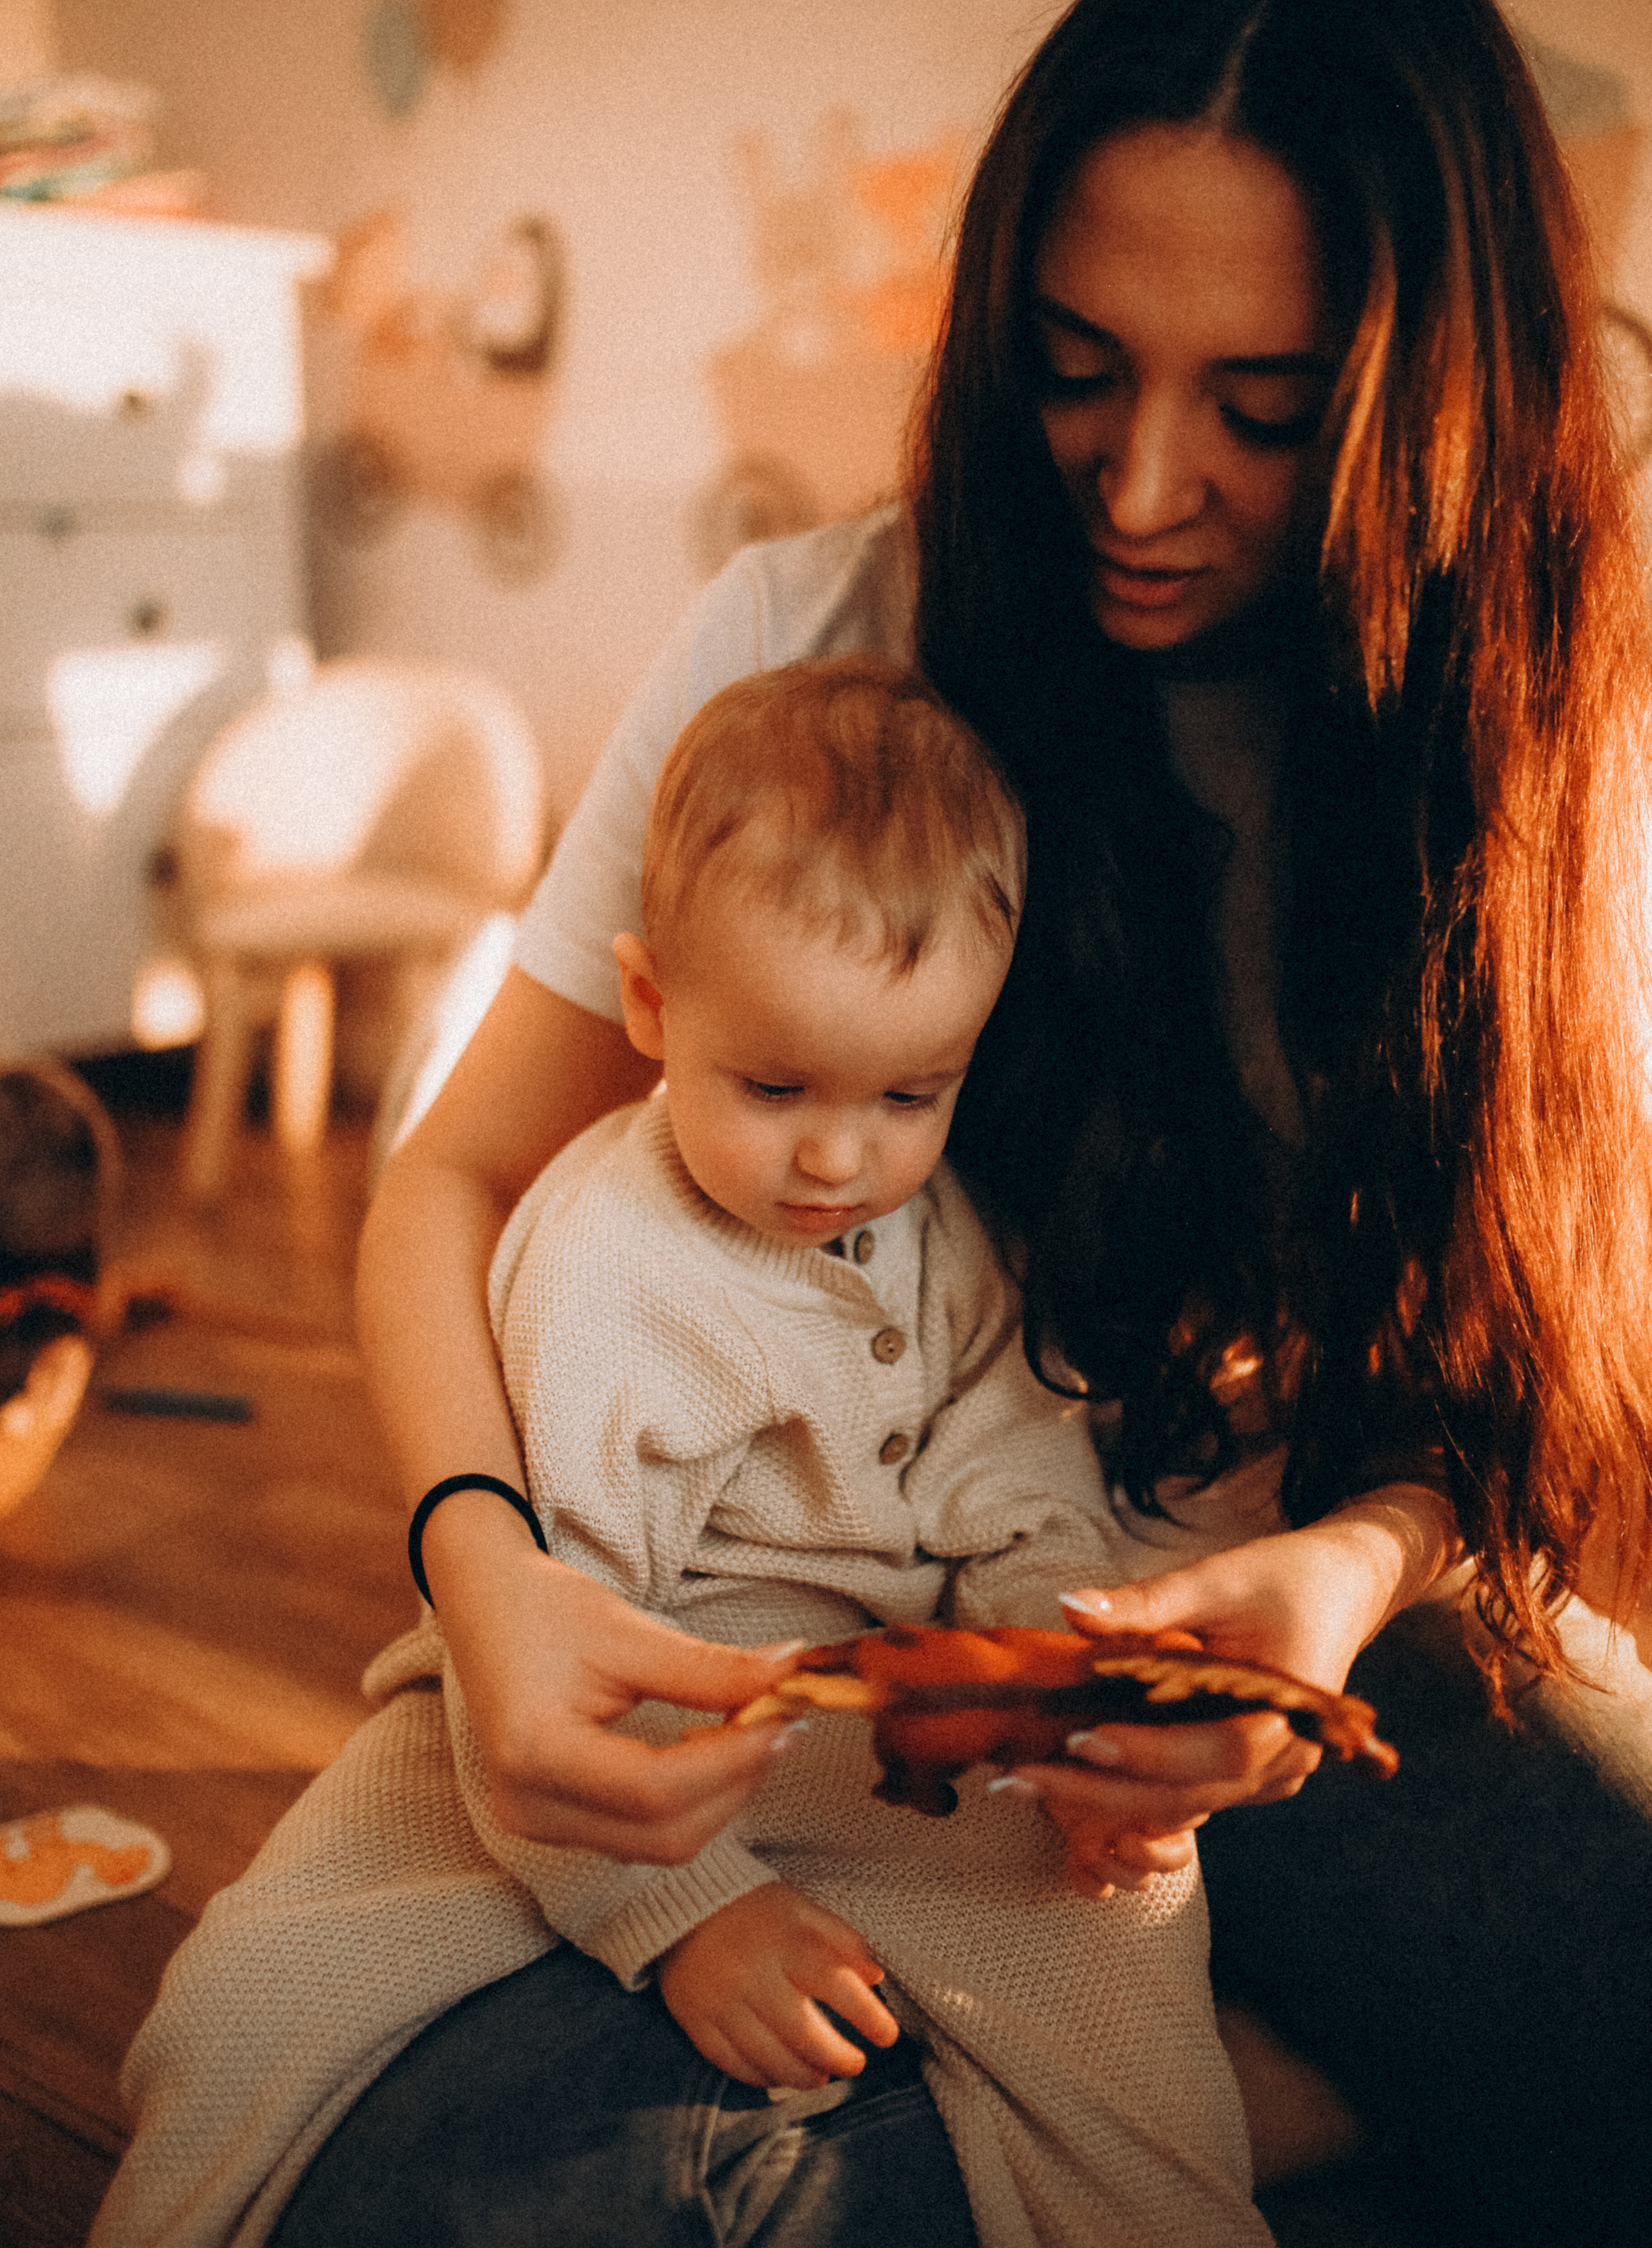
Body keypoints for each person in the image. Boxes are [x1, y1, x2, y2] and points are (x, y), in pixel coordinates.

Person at [114, 0, 1652, 2246]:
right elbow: (451, 1187)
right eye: (1069, 368)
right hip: (848, 1681)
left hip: (1328, 1669)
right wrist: (487, 1567)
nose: (1137, 493)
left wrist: (1340, 1580)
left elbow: (1526, 1391)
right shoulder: (815, 647)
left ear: (1432, 407)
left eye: (1265, 413)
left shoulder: (1554, 753)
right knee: (459, 2184)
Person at [95, 660, 1271, 2248]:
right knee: (255, 2009)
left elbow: (1011, 1465)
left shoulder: (932, 1224)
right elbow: (545, 1656)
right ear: (651, 1009)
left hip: (877, 1725)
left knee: (1122, 1935)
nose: (840, 1157)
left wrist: (1061, 1682)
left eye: (909, 1093)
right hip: (633, 1721)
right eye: (774, 1086)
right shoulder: (606, 1270)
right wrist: (686, 1918)